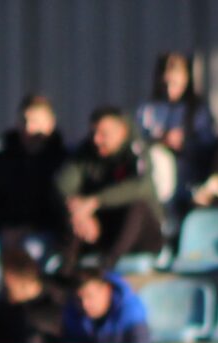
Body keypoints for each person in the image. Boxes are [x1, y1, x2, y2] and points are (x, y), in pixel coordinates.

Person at [0, 94, 67, 287]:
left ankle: (27, 292)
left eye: (36, 122)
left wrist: (28, 228)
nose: (29, 128)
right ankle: (4, 291)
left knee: (32, 248)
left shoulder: (62, 161)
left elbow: (57, 207)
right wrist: (4, 229)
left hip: (41, 232)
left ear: (50, 124)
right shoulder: (3, 159)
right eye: (24, 121)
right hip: (6, 231)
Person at [57, 107, 163, 272]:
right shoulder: (86, 151)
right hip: (100, 229)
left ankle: (106, 268)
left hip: (140, 235)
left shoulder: (136, 149)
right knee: (74, 210)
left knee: (138, 207)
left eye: (103, 134)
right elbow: (63, 184)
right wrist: (79, 212)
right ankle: (65, 272)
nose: (96, 139)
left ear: (122, 132)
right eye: (93, 133)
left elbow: (140, 185)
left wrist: (95, 201)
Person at [137, 51, 217, 209]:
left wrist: (185, 143)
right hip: (154, 171)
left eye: (174, 84)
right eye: (165, 84)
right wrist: (159, 140)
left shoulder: (197, 110)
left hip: (188, 174)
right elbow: (137, 142)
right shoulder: (148, 109)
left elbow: (209, 145)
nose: (169, 89)